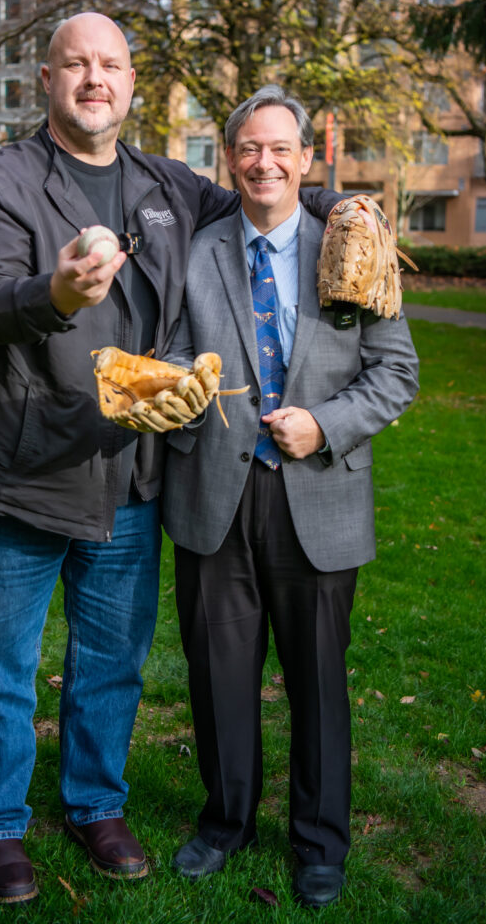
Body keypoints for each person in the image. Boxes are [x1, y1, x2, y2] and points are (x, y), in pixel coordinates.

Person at [0, 15, 342, 904]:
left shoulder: (169, 184)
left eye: (111, 64)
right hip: (19, 474)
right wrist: (55, 291)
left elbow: (262, 194)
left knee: (111, 662)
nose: (94, 79)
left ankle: (93, 805)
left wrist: (341, 210)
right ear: (45, 78)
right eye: (76, 64)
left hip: (129, 476)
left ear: (132, 82)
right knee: (1, 668)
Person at [160, 86, 419, 907]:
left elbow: (397, 372)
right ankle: (225, 821)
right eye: (248, 149)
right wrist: (169, 401)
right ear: (229, 159)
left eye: (281, 149)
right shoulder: (198, 254)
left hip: (318, 496)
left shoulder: (352, 244)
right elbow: (171, 362)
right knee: (220, 677)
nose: (263, 162)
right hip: (214, 496)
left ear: (307, 161)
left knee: (317, 682)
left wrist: (329, 424)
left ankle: (319, 842)